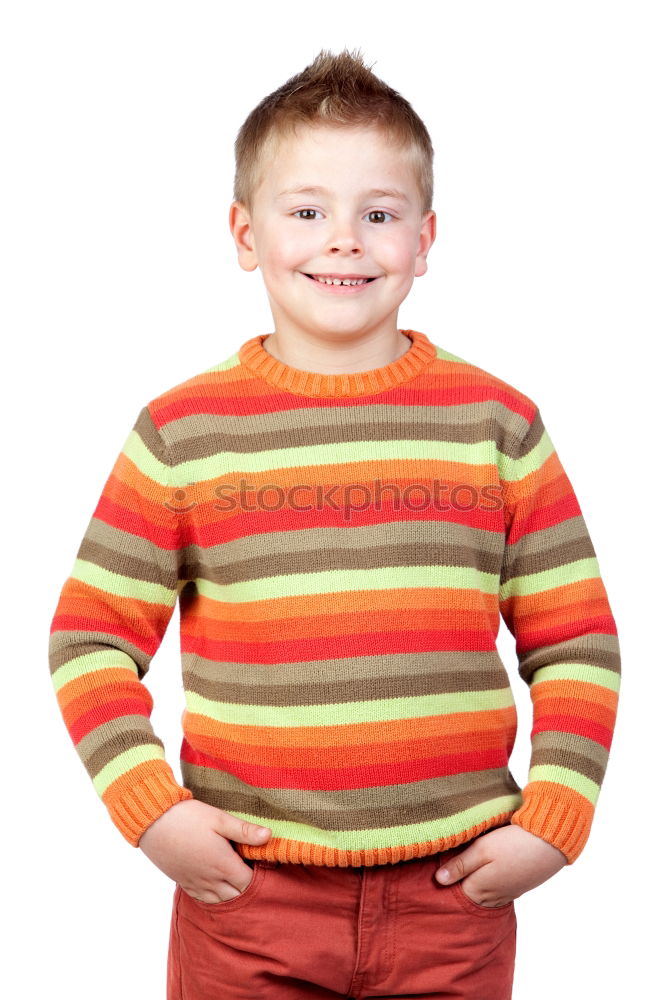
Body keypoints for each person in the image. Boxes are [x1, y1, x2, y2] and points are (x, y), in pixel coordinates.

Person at [48, 48, 621, 999]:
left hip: (456, 891)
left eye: (379, 214)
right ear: (244, 231)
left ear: (426, 237)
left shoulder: (499, 425)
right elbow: (88, 639)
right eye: (307, 211)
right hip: (248, 893)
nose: (344, 240)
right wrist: (152, 813)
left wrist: (557, 816)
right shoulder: (183, 432)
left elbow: (579, 642)